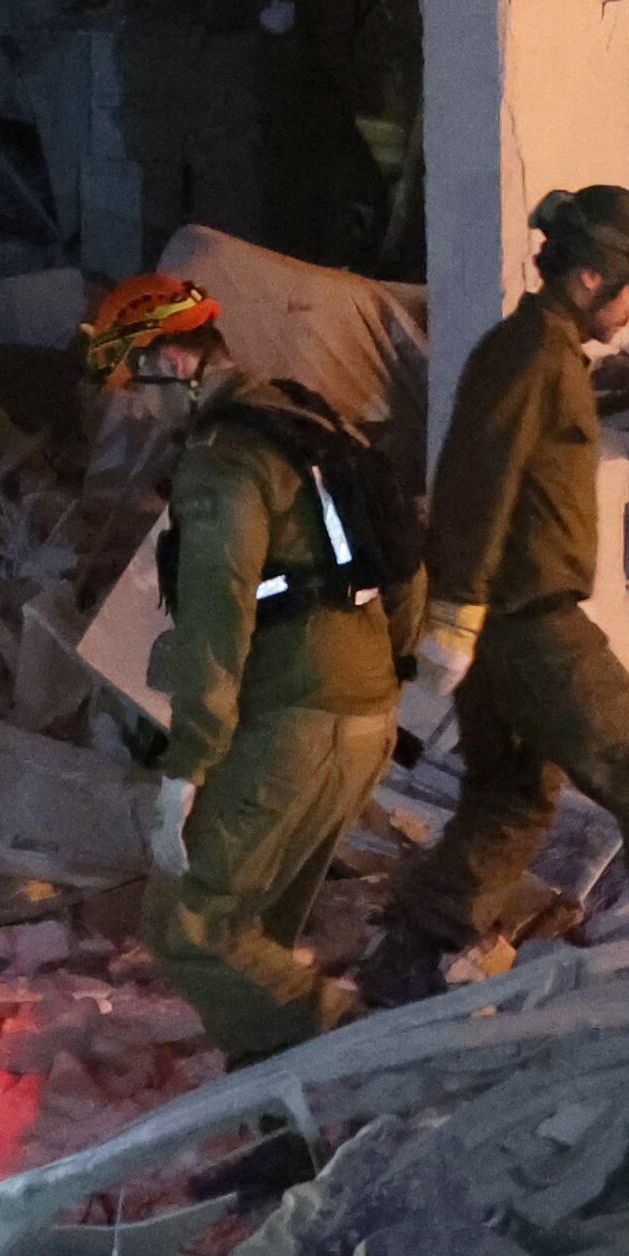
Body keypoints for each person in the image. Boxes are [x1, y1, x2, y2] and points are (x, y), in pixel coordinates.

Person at [355, 185, 629, 1005]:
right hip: (531, 628)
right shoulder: (532, 356)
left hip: (503, 623)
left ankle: (407, 959)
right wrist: (457, 611)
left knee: (512, 799)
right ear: (589, 276)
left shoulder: (534, 351)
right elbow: (475, 480)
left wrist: (463, 617)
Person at [86, 274, 409, 1064]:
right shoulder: (309, 419)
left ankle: (366, 1053)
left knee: (190, 926)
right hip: (363, 717)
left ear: (174, 359)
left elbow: (216, 615)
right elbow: (406, 556)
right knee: (255, 936)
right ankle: (285, 1107)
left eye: (138, 385)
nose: (138, 408)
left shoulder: (221, 462)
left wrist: (187, 766)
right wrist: (390, 667)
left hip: (299, 725)